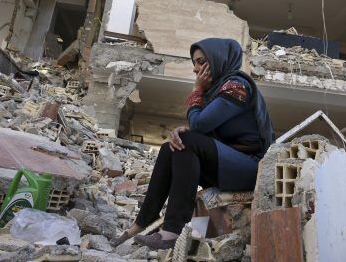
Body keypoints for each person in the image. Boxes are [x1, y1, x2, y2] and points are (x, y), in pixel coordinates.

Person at [111, 38, 274, 249]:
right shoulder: (215, 91)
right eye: (194, 63)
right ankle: (139, 224)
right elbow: (203, 129)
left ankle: (172, 230)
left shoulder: (237, 87)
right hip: (228, 165)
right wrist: (185, 129)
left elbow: (200, 124)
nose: (196, 69)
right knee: (171, 146)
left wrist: (196, 92)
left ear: (218, 59)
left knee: (187, 141)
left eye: (201, 61)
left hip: (252, 169)